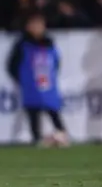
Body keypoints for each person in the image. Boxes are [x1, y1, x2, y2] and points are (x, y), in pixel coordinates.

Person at [7, 9, 69, 147]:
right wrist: (21, 79)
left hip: (47, 83)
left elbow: (56, 62)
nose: (37, 28)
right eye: (34, 24)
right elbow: (12, 65)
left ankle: (62, 134)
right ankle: (37, 137)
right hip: (30, 84)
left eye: (40, 24)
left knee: (53, 109)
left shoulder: (49, 43)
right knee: (33, 111)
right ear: (28, 26)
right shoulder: (22, 44)